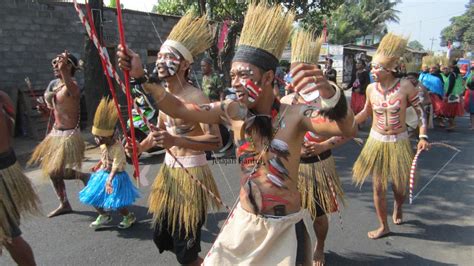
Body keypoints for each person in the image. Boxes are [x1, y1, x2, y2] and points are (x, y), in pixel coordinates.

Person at [118, 3, 356, 264]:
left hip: (284, 228)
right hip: (244, 224)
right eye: (233, 75)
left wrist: (331, 95)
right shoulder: (232, 111)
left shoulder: (296, 115)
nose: (235, 83)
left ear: (267, 78)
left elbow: (345, 127)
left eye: (244, 74)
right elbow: (178, 107)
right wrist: (141, 77)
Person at [126, 13, 223, 265]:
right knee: (163, 237)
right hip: (170, 177)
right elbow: (159, 134)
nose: (161, 62)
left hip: (192, 175)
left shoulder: (197, 98)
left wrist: (175, 141)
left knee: (186, 253)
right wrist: (138, 148)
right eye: (159, 56)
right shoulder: (164, 98)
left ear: (184, 65)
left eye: (169, 58)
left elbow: (215, 142)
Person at [353, 33, 430, 239]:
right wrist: (347, 124)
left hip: (399, 142)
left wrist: (423, 137)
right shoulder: (370, 89)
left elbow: (421, 112)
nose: (372, 71)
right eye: (372, 68)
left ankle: (398, 205)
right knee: (378, 187)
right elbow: (365, 113)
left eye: (376, 68)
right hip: (376, 142)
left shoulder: (405, 86)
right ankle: (383, 225)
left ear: (390, 70)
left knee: (399, 186)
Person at [28, 51, 89, 218]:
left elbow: (73, 92)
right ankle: (64, 203)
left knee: (55, 170)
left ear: (69, 66)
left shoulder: (73, 86)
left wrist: (64, 72)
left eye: (59, 62)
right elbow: (55, 112)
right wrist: (45, 110)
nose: (55, 64)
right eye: (53, 62)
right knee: (52, 171)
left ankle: (83, 176)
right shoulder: (55, 85)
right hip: (55, 133)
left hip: (68, 135)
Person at [79, 98, 139, 229]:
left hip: (116, 177)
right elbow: (104, 157)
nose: (97, 140)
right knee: (92, 196)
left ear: (109, 137)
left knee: (116, 202)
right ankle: (103, 215)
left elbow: (116, 165)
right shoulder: (103, 145)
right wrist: (98, 165)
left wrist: (109, 180)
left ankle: (128, 216)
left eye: (99, 138)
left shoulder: (118, 149)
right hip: (103, 174)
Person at [0, 91, 40, 265]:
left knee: (11, 236)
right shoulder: (2, 97)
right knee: (9, 235)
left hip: (3, 175)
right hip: (8, 170)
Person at [442, 63, 465, 130]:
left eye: (449, 68)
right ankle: (452, 124)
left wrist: (447, 95)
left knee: (448, 110)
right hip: (457, 94)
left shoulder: (452, 75)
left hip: (451, 94)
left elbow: (451, 85)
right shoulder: (459, 75)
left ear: (452, 69)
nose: (448, 70)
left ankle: (452, 124)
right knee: (453, 110)